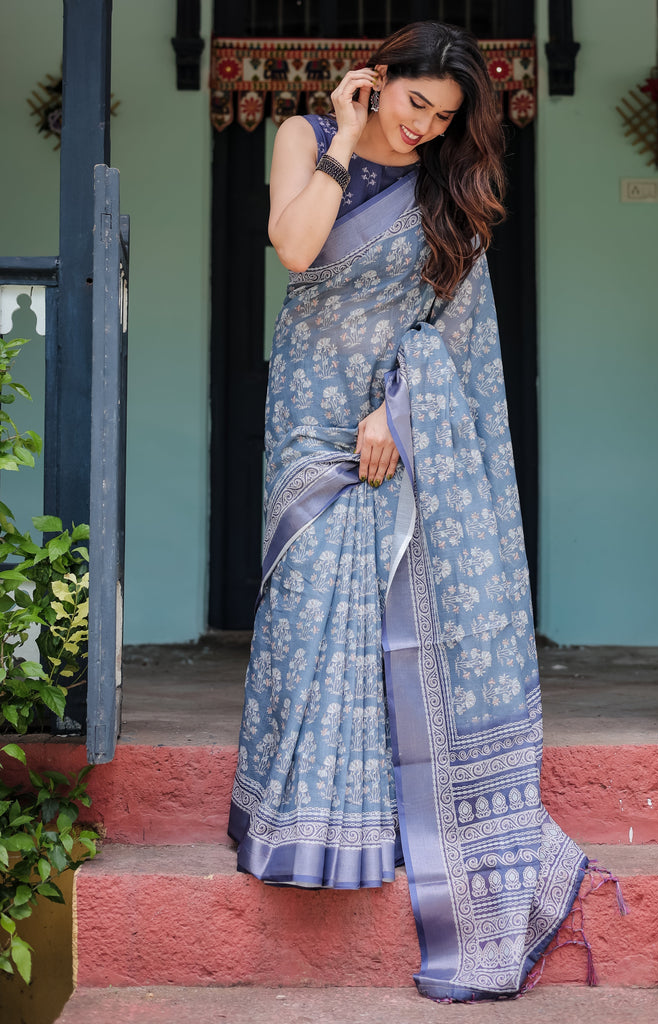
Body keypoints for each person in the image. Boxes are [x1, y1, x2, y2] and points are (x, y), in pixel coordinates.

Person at [229, 20, 589, 1001]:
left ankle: (384, 831)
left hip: (394, 420)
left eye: (445, 119)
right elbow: (296, 249)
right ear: (377, 80)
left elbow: (448, 339)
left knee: (382, 624)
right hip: (307, 414)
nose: (428, 130)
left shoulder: (451, 196)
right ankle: (303, 823)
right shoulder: (304, 138)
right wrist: (345, 134)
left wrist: (399, 407)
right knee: (309, 606)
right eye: (417, 104)